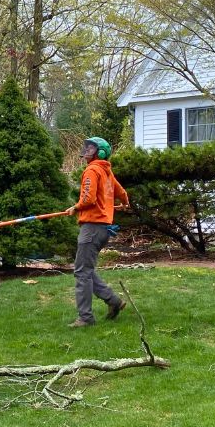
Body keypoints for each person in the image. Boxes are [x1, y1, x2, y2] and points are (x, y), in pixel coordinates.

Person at [65, 136, 129, 327]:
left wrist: (75, 207)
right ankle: (113, 301)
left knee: (82, 273)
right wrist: (125, 203)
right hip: (103, 230)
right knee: (86, 270)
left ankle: (85, 318)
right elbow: (122, 193)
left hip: (92, 227)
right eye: (86, 147)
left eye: (91, 148)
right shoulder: (106, 171)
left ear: (100, 152)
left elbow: (88, 198)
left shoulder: (92, 170)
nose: (86, 151)